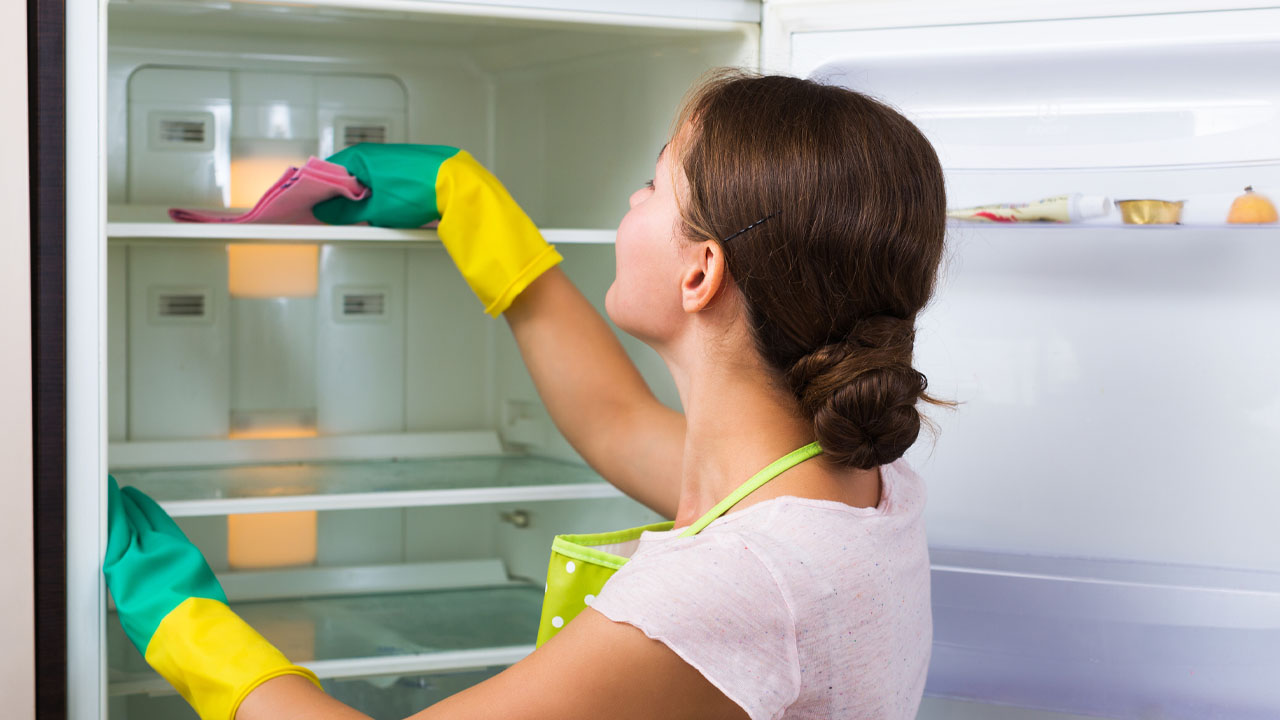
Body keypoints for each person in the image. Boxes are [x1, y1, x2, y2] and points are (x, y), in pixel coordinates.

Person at [104, 70, 948, 720]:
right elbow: (613, 422)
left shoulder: (733, 589)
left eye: (655, 185)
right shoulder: (842, 489)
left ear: (701, 272)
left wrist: (187, 628)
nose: (632, 199)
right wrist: (473, 211)